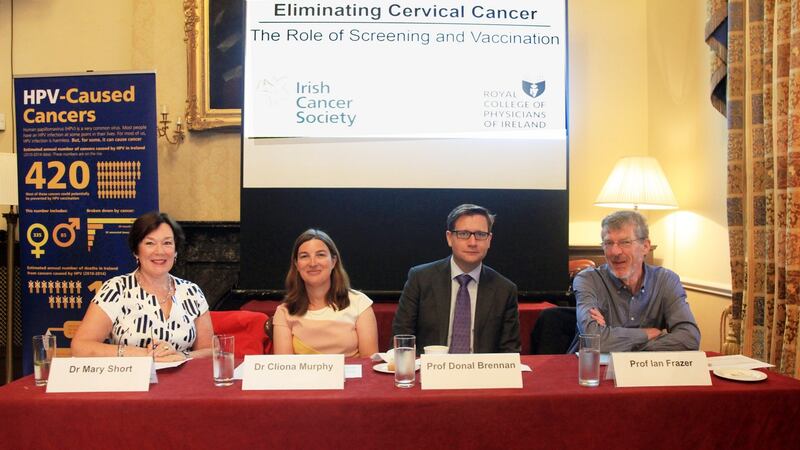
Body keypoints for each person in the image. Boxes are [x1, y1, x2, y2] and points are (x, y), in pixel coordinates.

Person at [71, 211, 213, 361]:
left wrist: (180, 356)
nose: (160, 251)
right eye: (150, 243)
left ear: (176, 251)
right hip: (130, 381)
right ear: (136, 251)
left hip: (183, 381)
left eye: (167, 243)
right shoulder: (116, 289)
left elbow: (210, 351)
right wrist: (145, 355)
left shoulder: (192, 292)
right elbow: (80, 347)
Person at [392, 204, 521, 354]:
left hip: (482, 374)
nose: (472, 242)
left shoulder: (504, 290)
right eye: (464, 234)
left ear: (489, 240)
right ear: (449, 238)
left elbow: (509, 353)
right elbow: (402, 340)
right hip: (430, 373)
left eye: (480, 234)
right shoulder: (420, 279)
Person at [570, 210, 701, 352]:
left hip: (646, 370)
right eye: (608, 243)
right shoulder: (588, 280)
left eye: (625, 242)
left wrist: (622, 345)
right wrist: (647, 334)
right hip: (591, 370)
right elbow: (593, 339)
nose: (615, 252)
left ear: (645, 246)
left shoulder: (666, 281)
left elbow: (690, 338)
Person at [272, 229, 379, 357]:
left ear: (333, 261)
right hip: (303, 377)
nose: (313, 263)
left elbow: (368, 364)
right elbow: (284, 369)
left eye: (320, 255)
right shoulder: (284, 312)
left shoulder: (360, 303)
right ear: (296, 264)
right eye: (304, 256)